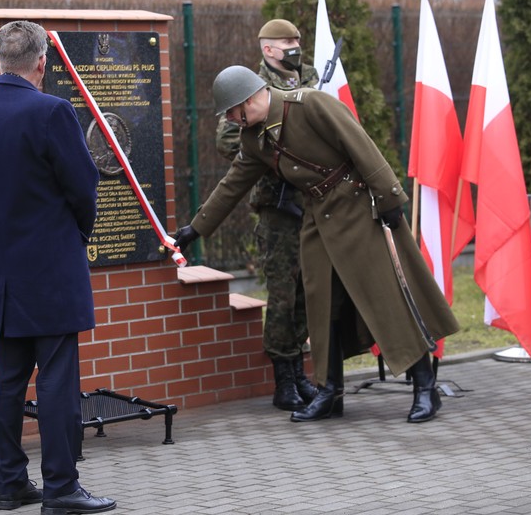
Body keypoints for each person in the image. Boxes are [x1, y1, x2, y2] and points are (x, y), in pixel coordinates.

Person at [174, 65, 459, 424]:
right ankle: (329, 392)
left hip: (357, 210)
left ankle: (424, 386)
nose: (232, 120)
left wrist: (389, 200)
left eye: (232, 111)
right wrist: (195, 229)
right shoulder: (254, 138)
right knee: (322, 306)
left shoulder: (310, 105)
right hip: (316, 220)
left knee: (384, 296)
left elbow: (362, 147)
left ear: (248, 99)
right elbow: (232, 185)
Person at [0, 21, 116, 514]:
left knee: (7, 379)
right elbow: (84, 187)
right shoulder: (53, 111)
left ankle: (10, 485)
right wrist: (79, 236)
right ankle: (61, 487)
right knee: (55, 379)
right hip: (50, 269)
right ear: (42, 64)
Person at [214, 19, 319, 411]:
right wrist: (274, 151)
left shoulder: (311, 78)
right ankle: (284, 379)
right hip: (277, 204)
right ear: (268, 49)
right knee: (282, 294)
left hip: (312, 201)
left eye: (297, 39)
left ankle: (302, 373)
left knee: (307, 291)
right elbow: (227, 138)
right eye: (287, 41)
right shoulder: (248, 84)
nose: (295, 46)